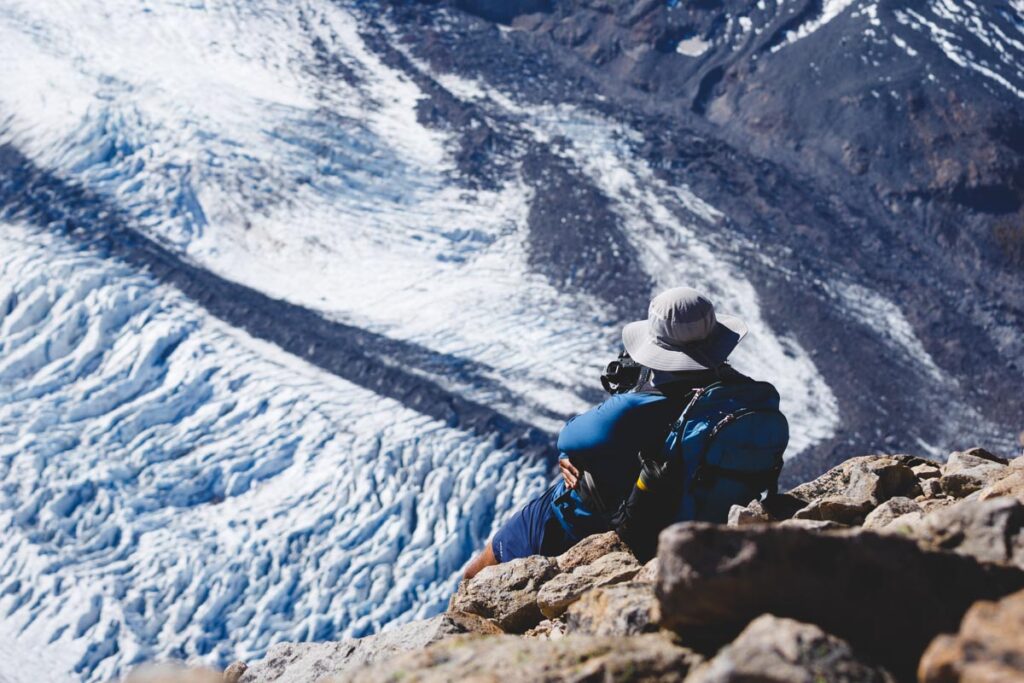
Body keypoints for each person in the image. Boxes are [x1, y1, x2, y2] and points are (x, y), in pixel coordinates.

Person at [463, 286, 787, 579]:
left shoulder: (630, 411)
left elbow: (569, 438)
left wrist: (575, 449)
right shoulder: (750, 396)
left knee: (474, 575)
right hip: (710, 520)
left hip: (592, 524)